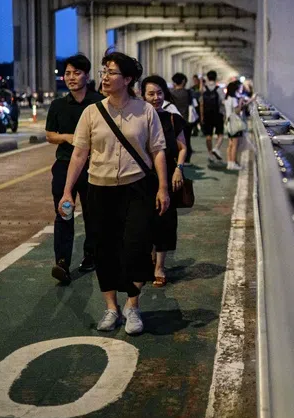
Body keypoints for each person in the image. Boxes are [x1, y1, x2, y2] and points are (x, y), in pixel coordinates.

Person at [60, 52, 169, 335]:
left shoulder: (145, 111)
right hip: (99, 189)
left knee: (136, 247)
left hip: (136, 189)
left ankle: (133, 306)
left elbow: (158, 150)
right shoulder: (92, 113)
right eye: (104, 71)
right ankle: (111, 308)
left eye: (112, 72)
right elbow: (79, 154)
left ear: (128, 79)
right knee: (104, 249)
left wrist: (163, 187)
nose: (105, 77)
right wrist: (67, 191)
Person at [45, 54, 104, 285]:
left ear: (86, 76)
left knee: (93, 214)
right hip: (64, 167)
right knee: (64, 213)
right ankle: (62, 263)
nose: (71, 77)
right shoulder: (58, 105)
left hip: (93, 168)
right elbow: (50, 135)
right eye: (67, 73)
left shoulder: (99, 103)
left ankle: (91, 255)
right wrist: (68, 137)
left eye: (76, 73)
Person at [141, 75, 187, 287]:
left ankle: (159, 266)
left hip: (167, 176)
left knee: (164, 220)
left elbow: (183, 147)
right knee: (144, 219)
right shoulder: (138, 118)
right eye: (151, 94)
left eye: (159, 93)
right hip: (141, 177)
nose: (155, 98)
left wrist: (178, 169)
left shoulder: (172, 118)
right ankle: (149, 257)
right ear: (142, 96)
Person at [223, 80, 252, 171]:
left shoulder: (227, 98)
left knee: (230, 144)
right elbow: (237, 111)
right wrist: (241, 102)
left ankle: (229, 163)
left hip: (229, 122)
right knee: (235, 144)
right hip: (235, 123)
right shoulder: (234, 99)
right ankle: (233, 163)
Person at [169, 73, 197, 163]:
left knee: (175, 141)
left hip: (174, 120)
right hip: (186, 120)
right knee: (186, 141)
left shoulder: (171, 93)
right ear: (184, 81)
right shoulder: (188, 92)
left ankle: (177, 159)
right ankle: (186, 160)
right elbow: (194, 104)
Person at [200, 70, 225, 163]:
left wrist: (202, 116)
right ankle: (216, 148)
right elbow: (222, 103)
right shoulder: (219, 89)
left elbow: (201, 103)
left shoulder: (204, 89)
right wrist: (224, 114)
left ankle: (210, 154)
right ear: (216, 78)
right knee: (220, 134)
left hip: (207, 115)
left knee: (208, 136)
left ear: (207, 77)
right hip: (217, 114)